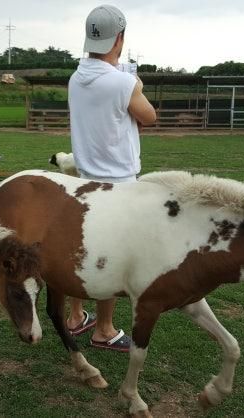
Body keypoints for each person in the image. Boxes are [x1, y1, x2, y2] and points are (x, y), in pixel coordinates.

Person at [66, 4, 157, 352]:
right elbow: (149, 116)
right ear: (119, 38)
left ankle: (76, 316)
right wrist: (137, 83)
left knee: (80, 250)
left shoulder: (76, 78)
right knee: (111, 259)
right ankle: (104, 328)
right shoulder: (124, 81)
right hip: (119, 184)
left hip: (83, 180)